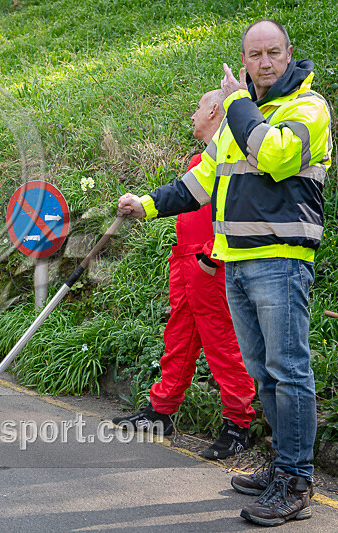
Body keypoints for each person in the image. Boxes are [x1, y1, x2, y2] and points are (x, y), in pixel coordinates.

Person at [117, 19, 331, 526]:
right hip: (236, 263)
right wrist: (146, 205)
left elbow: (276, 157)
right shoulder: (243, 116)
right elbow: (199, 183)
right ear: (244, 60)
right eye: (255, 54)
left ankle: (295, 482)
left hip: (280, 262)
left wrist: (236, 103)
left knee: (289, 371)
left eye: (272, 52)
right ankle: (281, 466)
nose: (264, 62)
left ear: (288, 53)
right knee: (264, 372)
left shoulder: (307, 107)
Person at [112, 89, 256, 461]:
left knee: (223, 345)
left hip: (209, 264)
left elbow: (237, 211)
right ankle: (160, 412)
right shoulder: (203, 161)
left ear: (214, 110)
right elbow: (182, 196)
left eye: (197, 107)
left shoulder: (233, 158)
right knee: (178, 339)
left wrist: (210, 258)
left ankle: (238, 425)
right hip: (186, 263)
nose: (192, 114)